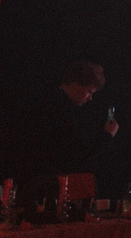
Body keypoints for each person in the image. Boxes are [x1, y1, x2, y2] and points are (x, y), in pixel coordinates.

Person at [17, 60, 120, 206]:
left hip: (45, 185)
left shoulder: (49, 103)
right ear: (75, 83)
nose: (90, 98)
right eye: (89, 91)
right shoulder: (60, 111)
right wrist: (107, 136)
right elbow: (77, 154)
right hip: (53, 188)